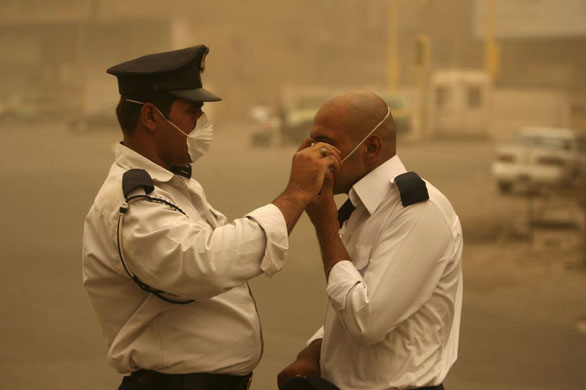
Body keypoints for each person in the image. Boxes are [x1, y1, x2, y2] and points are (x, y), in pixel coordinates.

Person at [81, 45, 341, 390]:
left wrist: (299, 197)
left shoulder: (174, 184)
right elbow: (206, 263)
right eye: (193, 111)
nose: (202, 123)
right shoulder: (131, 203)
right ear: (150, 117)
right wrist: (295, 194)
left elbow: (225, 249)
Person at [278, 90, 463, 390]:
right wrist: (315, 350)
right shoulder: (359, 208)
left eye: (326, 144)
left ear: (371, 148)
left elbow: (367, 321)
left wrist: (325, 225)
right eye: (311, 142)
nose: (312, 155)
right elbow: (352, 300)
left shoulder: (416, 211)